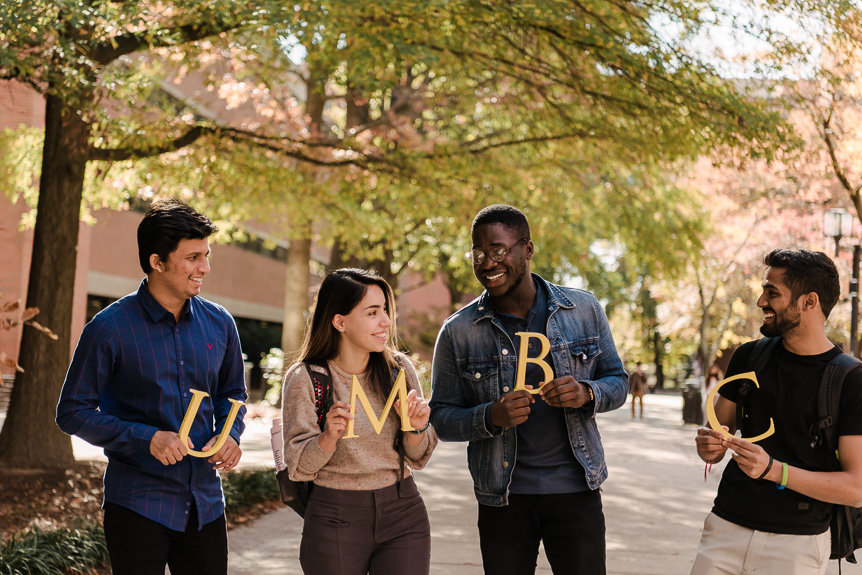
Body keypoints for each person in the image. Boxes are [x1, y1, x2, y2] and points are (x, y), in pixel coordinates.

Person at [429, 204, 628, 575]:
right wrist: (490, 416)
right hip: (503, 499)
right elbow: (439, 417)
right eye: (479, 253)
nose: (487, 262)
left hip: (576, 491)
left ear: (528, 249)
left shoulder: (583, 309)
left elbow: (618, 382)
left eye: (499, 250)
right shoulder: (458, 331)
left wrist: (586, 393)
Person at [56, 198, 247, 575]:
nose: (204, 268)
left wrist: (231, 434)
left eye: (206, 255)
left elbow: (233, 393)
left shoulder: (221, 323)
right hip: (138, 504)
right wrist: (147, 438)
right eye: (193, 257)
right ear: (157, 262)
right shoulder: (108, 329)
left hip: (206, 505)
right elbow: (72, 412)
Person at [692, 249, 862, 575]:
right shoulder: (748, 357)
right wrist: (709, 447)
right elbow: (716, 436)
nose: (760, 301)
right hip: (725, 528)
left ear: (809, 302)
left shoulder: (851, 380)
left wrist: (773, 470)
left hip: (797, 546)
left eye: (772, 293)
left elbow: (856, 490)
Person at [282, 268, 437, 575]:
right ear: (339, 321)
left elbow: (419, 458)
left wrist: (416, 428)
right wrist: (327, 437)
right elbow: (299, 468)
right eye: (372, 312)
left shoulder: (399, 369)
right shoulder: (306, 378)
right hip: (334, 515)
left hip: (403, 509)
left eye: (385, 311)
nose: (385, 322)